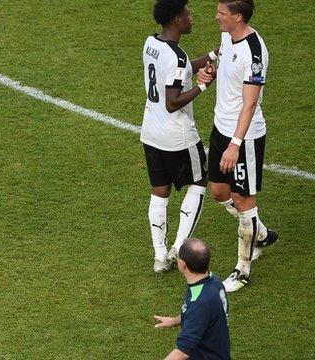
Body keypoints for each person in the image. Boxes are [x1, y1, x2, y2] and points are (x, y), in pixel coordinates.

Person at [197, 0, 277, 292]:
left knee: (244, 200)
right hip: (221, 127)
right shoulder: (227, 37)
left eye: (221, 13)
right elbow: (225, 66)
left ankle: (242, 270)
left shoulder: (255, 52)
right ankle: (262, 233)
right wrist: (210, 72)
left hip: (244, 137)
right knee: (219, 191)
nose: (216, 16)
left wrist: (235, 145)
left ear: (238, 16)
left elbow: (250, 103)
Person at [142, 0, 218, 273]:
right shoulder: (175, 57)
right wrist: (202, 85)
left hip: (151, 132)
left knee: (160, 192)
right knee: (199, 181)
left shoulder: (152, 43)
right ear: (176, 19)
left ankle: (160, 257)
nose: (191, 17)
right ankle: (179, 246)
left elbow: (183, 66)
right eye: (187, 13)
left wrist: (213, 55)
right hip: (178, 136)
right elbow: (173, 102)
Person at [154, 238, 231, 360]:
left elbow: (182, 352)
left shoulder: (199, 301)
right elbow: (206, 315)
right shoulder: (215, 282)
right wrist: (175, 320)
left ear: (182, 264)